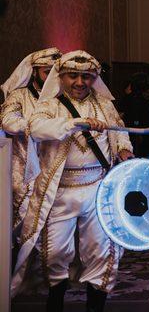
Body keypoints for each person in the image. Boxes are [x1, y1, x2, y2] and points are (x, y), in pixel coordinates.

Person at [11, 50, 135, 312]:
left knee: (101, 251)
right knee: (54, 253)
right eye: (73, 76)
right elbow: (37, 128)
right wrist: (74, 123)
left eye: (87, 77)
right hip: (60, 192)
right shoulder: (49, 105)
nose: (80, 83)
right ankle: (55, 302)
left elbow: (119, 129)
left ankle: (95, 306)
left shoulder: (104, 104)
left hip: (98, 189)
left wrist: (124, 148)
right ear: (61, 77)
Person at [1, 47, 61, 229]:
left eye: (54, 73)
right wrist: (36, 127)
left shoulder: (62, 98)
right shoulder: (19, 96)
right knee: (26, 220)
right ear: (34, 71)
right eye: (46, 72)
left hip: (55, 167)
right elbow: (8, 121)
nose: (51, 77)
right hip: (24, 168)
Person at [117, 72, 149, 156]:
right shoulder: (134, 99)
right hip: (137, 130)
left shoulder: (145, 100)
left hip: (148, 130)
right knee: (140, 152)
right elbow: (135, 116)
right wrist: (137, 129)